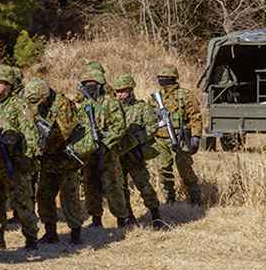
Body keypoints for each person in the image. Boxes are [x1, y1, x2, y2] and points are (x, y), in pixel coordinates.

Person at [0, 66, 41, 251]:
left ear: (9, 85)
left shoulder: (18, 105)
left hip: (14, 160)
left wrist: (27, 158)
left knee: (22, 201)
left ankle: (31, 237)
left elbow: (30, 133)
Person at [25, 78, 86, 244]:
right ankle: (50, 233)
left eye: (37, 101)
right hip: (48, 160)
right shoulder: (38, 103)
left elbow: (64, 132)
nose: (35, 105)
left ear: (45, 95)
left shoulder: (63, 105)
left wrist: (43, 148)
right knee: (44, 195)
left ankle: (76, 234)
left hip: (66, 159)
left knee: (69, 197)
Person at [76, 64, 133, 228]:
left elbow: (119, 127)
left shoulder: (111, 103)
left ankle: (122, 219)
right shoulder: (85, 105)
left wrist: (105, 142)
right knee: (90, 185)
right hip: (90, 153)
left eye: (92, 83)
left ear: (100, 84)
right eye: (86, 83)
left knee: (113, 186)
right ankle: (95, 219)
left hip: (108, 152)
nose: (89, 86)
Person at [113, 74, 164, 228]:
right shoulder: (114, 109)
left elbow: (152, 127)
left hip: (135, 155)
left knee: (144, 185)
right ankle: (127, 218)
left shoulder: (142, 108)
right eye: (118, 91)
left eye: (123, 91)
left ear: (131, 90)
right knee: (120, 189)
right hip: (119, 155)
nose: (120, 94)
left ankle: (156, 217)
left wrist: (136, 140)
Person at [154, 64, 203, 206]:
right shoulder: (157, 97)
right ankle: (169, 199)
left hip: (180, 137)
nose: (162, 80)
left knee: (185, 169)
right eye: (160, 78)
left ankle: (195, 199)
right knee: (164, 169)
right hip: (161, 138)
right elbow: (150, 116)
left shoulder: (185, 95)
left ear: (173, 79)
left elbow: (195, 116)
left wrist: (196, 136)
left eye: (165, 78)